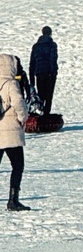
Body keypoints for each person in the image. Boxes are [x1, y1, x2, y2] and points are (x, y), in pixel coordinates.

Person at [0, 52, 31, 211]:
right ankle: (13, 200)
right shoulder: (11, 84)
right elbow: (19, 102)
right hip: (10, 131)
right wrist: (22, 117)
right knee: (17, 165)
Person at [28, 26, 58, 115]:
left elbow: (32, 62)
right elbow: (53, 59)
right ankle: (46, 114)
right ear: (50, 33)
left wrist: (31, 79)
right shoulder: (52, 45)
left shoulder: (36, 46)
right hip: (50, 73)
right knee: (49, 96)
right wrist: (53, 72)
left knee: (41, 95)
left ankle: (39, 112)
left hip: (39, 73)